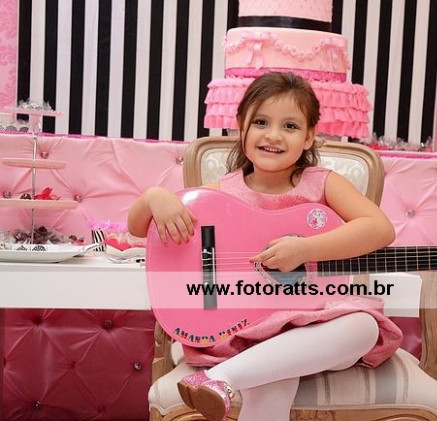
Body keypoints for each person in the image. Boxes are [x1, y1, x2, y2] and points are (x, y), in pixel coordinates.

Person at [128, 72, 402, 421]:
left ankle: (218, 379)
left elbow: (379, 229)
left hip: (312, 327)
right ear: (241, 126)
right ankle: (228, 375)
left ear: (309, 136)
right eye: (261, 122)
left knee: (363, 327)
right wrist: (154, 198)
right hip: (245, 331)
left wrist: (305, 250)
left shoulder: (323, 184)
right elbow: (138, 228)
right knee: (272, 385)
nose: (273, 135)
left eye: (290, 126)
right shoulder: (221, 194)